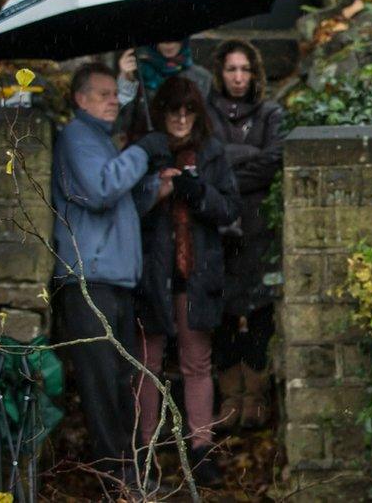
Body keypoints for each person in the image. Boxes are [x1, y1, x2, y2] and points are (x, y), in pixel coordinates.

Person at [51, 62, 171, 486]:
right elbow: (101, 192)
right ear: (80, 100)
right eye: (103, 94)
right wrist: (141, 153)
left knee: (121, 383)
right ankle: (117, 481)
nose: (113, 100)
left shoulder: (101, 141)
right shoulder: (76, 137)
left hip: (113, 279)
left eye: (114, 93)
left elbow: (120, 207)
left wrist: (155, 186)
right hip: (90, 281)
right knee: (103, 387)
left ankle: (126, 476)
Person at [131, 76, 240, 488]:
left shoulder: (211, 152)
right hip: (151, 274)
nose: (180, 118)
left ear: (198, 113)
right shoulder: (147, 150)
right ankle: (145, 450)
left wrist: (198, 192)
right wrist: (157, 190)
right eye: (173, 110)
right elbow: (125, 206)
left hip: (196, 275)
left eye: (188, 110)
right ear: (160, 112)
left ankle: (201, 447)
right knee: (147, 364)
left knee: (197, 362)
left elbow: (229, 208)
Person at [205, 39, 286, 429]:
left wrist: (227, 168)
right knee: (220, 314)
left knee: (259, 313)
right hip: (217, 228)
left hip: (258, 229)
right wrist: (242, 161)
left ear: (254, 74)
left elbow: (273, 161)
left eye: (244, 70)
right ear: (220, 73)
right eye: (231, 70)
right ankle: (229, 401)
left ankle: (254, 399)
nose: (238, 78)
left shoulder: (270, 113)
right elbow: (204, 162)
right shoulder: (206, 113)